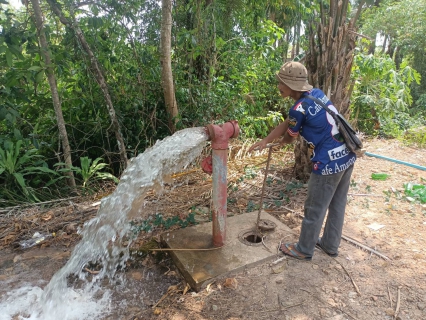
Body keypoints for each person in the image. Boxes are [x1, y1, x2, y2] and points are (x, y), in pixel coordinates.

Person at [248, 61, 356, 261]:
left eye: (281, 82)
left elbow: (290, 136)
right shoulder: (315, 94)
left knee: (314, 206)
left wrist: (279, 143)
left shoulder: (298, 108)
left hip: (328, 164)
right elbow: (290, 121)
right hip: (346, 155)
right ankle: (330, 245)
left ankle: (304, 249)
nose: (279, 86)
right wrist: (266, 140)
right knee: (337, 203)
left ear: (290, 85)